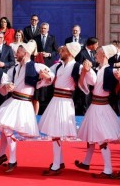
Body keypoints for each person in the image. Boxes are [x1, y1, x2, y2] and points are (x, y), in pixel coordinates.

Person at [0, 43, 54, 173]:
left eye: (18, 52)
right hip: (13, 101)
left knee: (7, 128)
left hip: (23, 103)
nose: (15, 54)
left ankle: (12, 160)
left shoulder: (36, 66)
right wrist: (7, 85)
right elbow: (6, 79)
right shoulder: (15, 68)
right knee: (4, 128)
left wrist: (45, 77)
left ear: (25, 53)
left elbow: (50, 76)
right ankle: (2, 155)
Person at [38, 42, 95, 176]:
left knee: (56, 133)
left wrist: (88, 69)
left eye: (63, 50)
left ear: (69, 52)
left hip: (64, 102)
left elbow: (93, 80)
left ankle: (57, 165)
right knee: (54, 133)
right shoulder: (58, 65)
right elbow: (49, 73)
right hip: (56, 101)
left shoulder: (77, 66)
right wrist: (44, 75)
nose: (60, 52)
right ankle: (59, 162)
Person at [75, 44, 120, 179]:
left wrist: (119, 78)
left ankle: (108, 170)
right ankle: (86, 162)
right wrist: (85, 72)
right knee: (92, 136)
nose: (95, 55)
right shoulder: (97, 69)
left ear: (104, 55)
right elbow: (85, 84)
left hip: (101, 107)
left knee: (100, 138)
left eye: (98, 53)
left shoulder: (111, 70)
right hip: (95, 106)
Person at [74, 37, 99, 115]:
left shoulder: (94, 52)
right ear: (92, 45)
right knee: (84, 97)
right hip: (84, 80)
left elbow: (96, 63)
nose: (98, 46)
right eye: (97, 44)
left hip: (93, 79)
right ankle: (83, 113)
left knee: (90, 97)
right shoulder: (81, 53)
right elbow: (78, 66)